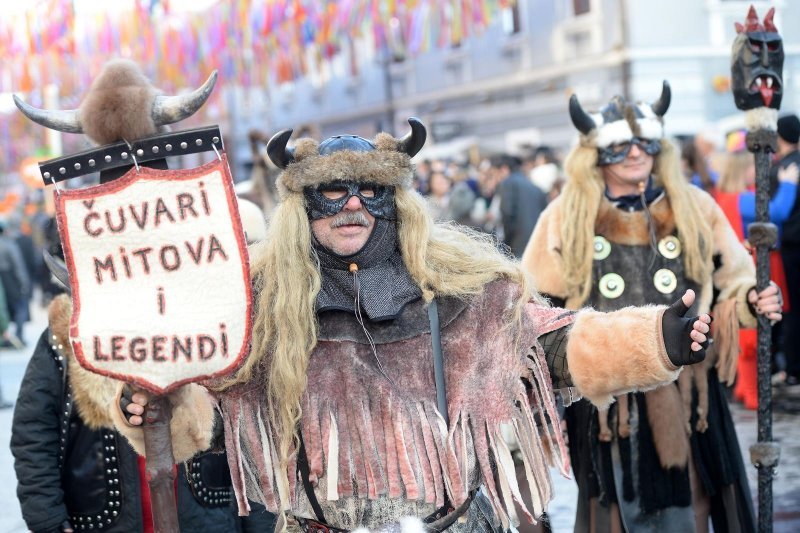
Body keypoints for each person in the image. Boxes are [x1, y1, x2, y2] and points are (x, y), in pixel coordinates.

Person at [116, 118, 715, 532]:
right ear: (303, 205)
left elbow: (551, 344)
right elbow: (205, 407)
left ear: (394, 200)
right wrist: (154, 404)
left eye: (371, 190)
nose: (352, 205)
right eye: (333, 191)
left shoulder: (461, 290)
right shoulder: (260, 307)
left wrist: (656, 337)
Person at [522, 82, 782, 533]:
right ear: (594, 153)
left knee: (696, 506)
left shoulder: (693, 206)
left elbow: (732, 282)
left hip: (690, 394)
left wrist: (751, 301)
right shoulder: (566, 216)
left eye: (645, 143)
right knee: (615, 513)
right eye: (619, 146)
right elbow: (536, 308)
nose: (635, 154)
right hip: (609, 397)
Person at [714, 137, 797, 407]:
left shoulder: (727, 195)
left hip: (746, 265)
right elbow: (776, 211)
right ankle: (752, 393)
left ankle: (744, 389)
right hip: (747, 270)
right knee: (751, 338)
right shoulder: (741, 198)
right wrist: (788, 183)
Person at [775, 114, 800, 385]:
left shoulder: (779, 169)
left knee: (791, 308)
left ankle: (793, 367)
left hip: (789, 248)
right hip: (791, 245)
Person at [490, 154, 548, 257]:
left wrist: (506, 243)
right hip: (535, 245)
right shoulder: (534, 186)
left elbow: (507, 214)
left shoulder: (508, 183)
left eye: (495, 174)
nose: (496, 179)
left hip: (516, 245)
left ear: (504, 169)